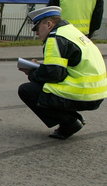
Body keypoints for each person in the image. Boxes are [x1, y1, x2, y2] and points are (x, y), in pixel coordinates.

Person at [18, 6, 107, 140]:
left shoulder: (55, 37)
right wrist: (40, 68)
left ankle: (70, 123)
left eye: (37, 28)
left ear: (49, 24)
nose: (36, 33)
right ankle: (72, 119)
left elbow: (54, 75)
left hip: (83, 93)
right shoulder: (71, 32)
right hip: (96, 93)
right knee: (44, 86)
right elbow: (60, 69)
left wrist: (31, 73)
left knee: (27, 90)